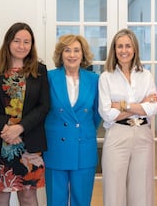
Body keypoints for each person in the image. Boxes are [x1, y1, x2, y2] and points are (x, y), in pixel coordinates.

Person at [0, 22, 50, 206]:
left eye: (26, 42)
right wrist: (5, 127)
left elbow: (43, 106)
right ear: (8, 42)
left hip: (29, 143)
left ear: (31, 45)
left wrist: (20, 128)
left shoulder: (40, 70)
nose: (21, 46)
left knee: (28, 197)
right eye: (17, 41)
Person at [98, 28, 157, 206]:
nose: (124, 50)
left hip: (142, 134)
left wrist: (122, 105)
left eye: (128, 46)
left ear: (135, 49)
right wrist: (141, 105)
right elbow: (107, 113)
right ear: (114, 50)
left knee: (142, 190)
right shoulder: (106, 77)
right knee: (114, 189)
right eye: (119, 46)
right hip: (117, 135)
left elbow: (154, 107)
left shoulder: (146, 76)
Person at [44, 34, 101, 206]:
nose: (72, 55)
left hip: (84, 146)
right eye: (67, 50)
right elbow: (43, 111)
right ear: (60, 54)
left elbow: (97, 114)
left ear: (83, 54)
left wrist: (83, 131)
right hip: (56, 147)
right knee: (56, 201)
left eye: (76, 50)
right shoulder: (49, 78)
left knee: (82, 201)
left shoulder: (94, 79)